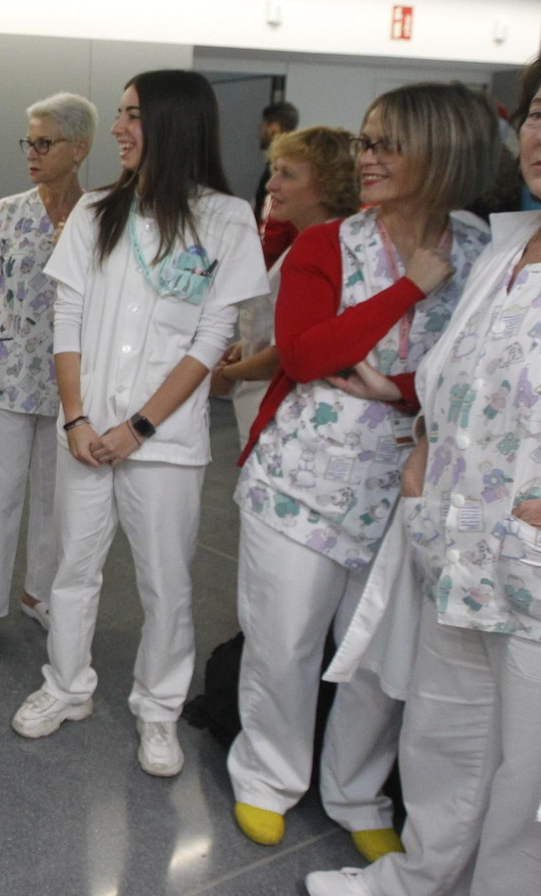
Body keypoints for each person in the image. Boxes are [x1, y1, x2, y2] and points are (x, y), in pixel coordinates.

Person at [232, 85, 494, 858]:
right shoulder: (325, 245)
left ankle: (355, 788)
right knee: (285, 640)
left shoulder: (485, 250)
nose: (367, 158)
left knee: (382, 654)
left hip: (412, 485)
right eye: (366, 142)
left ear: (443, 154)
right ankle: (267, 773)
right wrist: (412, 285)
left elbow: (484, 370)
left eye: (388, 144)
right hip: (300, 481)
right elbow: (308, 353)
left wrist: (400, 387)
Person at [305, 60, 541, 896]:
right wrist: (425, 436)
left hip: (530, 562)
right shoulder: (506, 248)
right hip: (456, 537)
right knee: (447, 736)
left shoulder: (484, 245)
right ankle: (414, 879)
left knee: (528, 782)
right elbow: (462, 373)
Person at [10, 70, 267, 780]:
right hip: (87, 434)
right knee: (73, 569)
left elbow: (210, 341)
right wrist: (77, 416)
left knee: (166, 584)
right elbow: (66, 319)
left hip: (166, 444)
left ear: (174, 124)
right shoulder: (98, 211)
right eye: (120, 114)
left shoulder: (224, 219)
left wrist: (140, 428)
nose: (119, 129)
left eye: (132, 115)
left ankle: (158, 708)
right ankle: (66, 685)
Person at [0, 92, 95, 661]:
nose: (32, 153)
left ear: (79, 148)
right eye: (29, 142)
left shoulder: (100, 217)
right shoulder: (7, 212)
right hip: (9, 375)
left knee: (57, 498)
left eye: (45, 142)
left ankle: (40, 591)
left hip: (74, 384)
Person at [211, 127, 360, 448]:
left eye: (287, 175)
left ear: (327, 186)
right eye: (274, 170)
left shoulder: (322, 248)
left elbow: (289, 354)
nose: (271, 185)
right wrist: (250, 345)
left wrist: (226, 375)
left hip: (287, 416)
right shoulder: (316, 241)